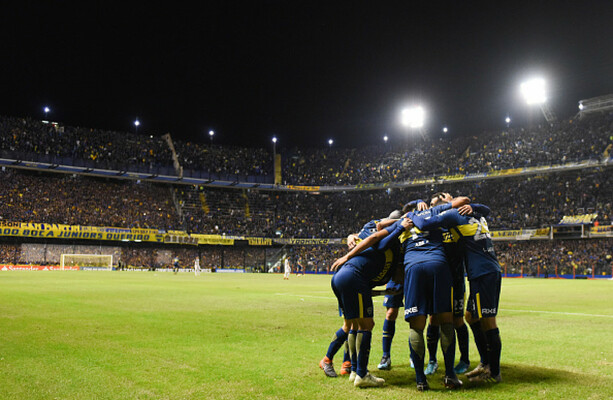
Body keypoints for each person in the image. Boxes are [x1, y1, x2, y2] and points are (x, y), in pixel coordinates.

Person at [409, 197, 503, 384]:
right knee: (471, 317)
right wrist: (474, 205)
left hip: (481, 272)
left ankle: (493, 373)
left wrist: (412, 213)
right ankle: (485, 363)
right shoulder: (474, 214)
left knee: (488, 322)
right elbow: (486, 208)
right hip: (484, 270)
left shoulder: (452, 215)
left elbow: (422, 222)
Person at [327, 215, 411, 388]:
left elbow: (364, 290)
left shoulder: (383, 260)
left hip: (342, 279)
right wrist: (401, 226)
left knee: (355, 325)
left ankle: (354, 371)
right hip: (351, 276)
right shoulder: (388, 241)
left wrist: (384, 291)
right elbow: (376, 235)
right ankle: (362, 374)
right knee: (367, 325)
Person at [400, 196, 470, 391]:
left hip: (413, 267)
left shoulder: (405, 219)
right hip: (439, 265)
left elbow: (379, 231)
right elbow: (462, 201)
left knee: (416, 327)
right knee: (446, 322)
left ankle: (420, 380)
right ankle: (450, 375)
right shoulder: (437, 213)